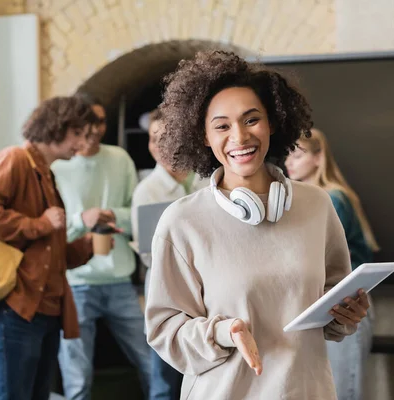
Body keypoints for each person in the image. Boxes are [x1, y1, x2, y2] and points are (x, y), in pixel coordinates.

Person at [144, 50, 371, 400]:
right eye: (221, 126)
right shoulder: (182, 221)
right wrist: (222, 332)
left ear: (273, 122)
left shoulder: (316, 205)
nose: (239, 136)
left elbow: (335, 303)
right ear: (203, 136)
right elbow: (164, 330)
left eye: (251, 120)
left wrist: (347, 314)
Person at [0, 96, 99, 400]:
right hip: (17, 308)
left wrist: (88, 245)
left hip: (47, 310)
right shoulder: (14, 159)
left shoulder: (46, 175)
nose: (82, 142)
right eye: (78, 133)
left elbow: (50, 253)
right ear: (57, 126)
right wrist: (39, 224)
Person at [52, 92, 151, 400]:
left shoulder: (120, 158)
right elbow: (52, 227)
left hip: (120, 279)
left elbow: (136, 215)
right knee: (76, 375)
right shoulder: (59, 166)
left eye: (100, 121)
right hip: (77, 283)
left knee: (152, 359)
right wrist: (83, 218)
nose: (95, 129)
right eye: (87, 122)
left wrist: (110, 215)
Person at [285, 127, 380, 400]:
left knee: (343, 392)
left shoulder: (331, 198)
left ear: (318, 158)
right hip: (330, 307)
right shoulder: (308, 199)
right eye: (287, 155)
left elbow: (312, 256)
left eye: (298, 154)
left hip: (346, 307)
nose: (289, 161)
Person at [131, 108, 206, 400]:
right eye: (152, 139)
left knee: (204, 361)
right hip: (165, 283)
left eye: (164, 137)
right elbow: (148, 255)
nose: (157, 146)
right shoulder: (146, 191)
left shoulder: (207, 177)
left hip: (208, 283)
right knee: (164, 368)